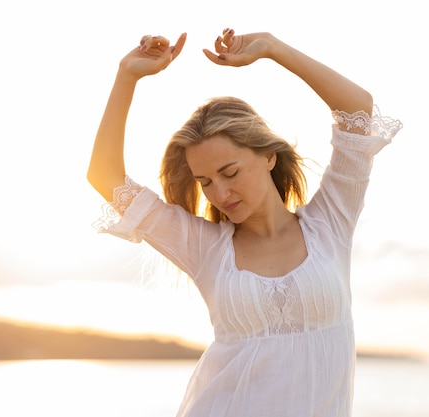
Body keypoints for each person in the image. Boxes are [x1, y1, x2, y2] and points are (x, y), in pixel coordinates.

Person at [87, 28, 402, 417]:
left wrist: (272, 47)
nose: (218, 194)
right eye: (205, 182)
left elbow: (358, 111)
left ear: (269, 156)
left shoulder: (330, 223)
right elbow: (105, 176)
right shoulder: (204, 248)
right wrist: (126, 75)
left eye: (230, 172)